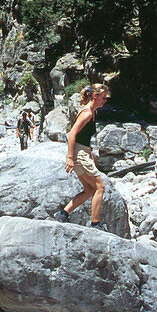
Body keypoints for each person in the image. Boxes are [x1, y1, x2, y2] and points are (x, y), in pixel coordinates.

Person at [54, 82, 109, 229]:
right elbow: (72, 134)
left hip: (82, 153)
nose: (105, 101)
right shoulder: (87, 113)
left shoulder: (92, 112)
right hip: (79, 155)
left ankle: (63, 213)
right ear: (95, 96)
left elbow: (84, 137)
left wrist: (90, 155)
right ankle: (95, 224)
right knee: (100, 187)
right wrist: (70, 158)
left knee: (89, 189)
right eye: (103, 98)